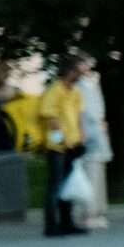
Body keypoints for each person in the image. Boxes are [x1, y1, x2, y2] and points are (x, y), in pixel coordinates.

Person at [37, 59, 87, 237]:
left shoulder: (75, 92)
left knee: (68, 185)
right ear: (70, 71)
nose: (81, 75)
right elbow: (51, 120)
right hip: (57, 148)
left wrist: (82, 137)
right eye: (79, 72)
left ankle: (67, 222)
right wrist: (62, 142)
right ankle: (51, 225)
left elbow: (78, 116)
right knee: (56, 186)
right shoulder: (54, 90)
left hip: (73, 145)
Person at [76, 59, 112, 229]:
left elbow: (98, 109)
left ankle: (96, 210)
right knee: (89, 175)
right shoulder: (79, 86)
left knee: (97, 174)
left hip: (96, 133)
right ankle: (87, 212)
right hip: (88, 135)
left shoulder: (92, 82)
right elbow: (85, 111)